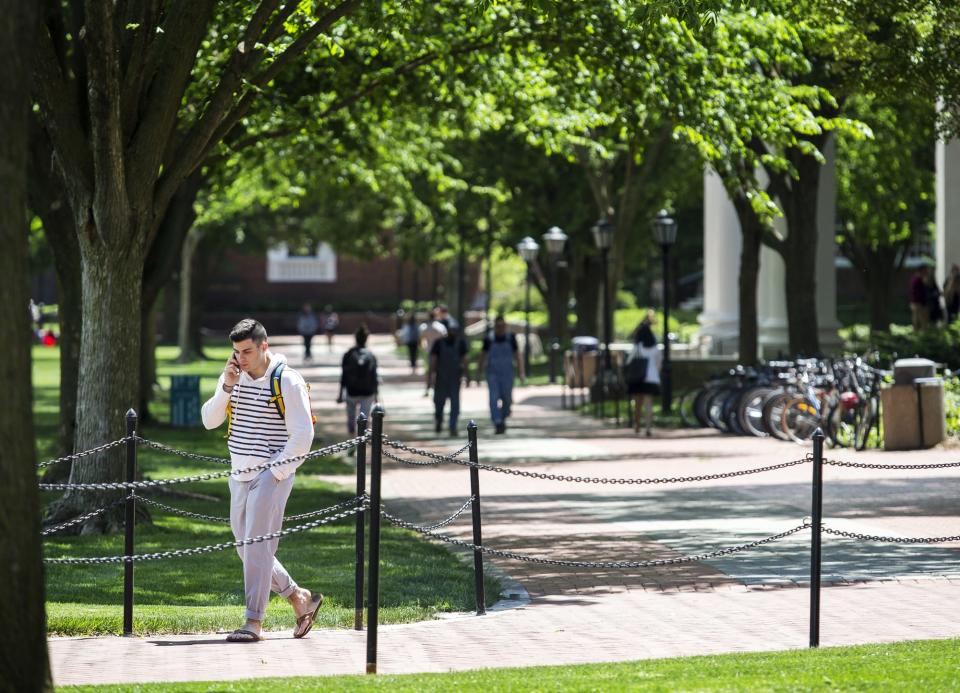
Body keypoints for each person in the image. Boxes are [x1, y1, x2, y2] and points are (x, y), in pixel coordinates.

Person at [200, 318, 323, 643]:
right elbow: (210, 421)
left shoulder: (287, 381)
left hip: (272, 475)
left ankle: (253, 622)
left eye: (248, 351)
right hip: (239, 473)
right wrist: (226, 385)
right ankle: (299, 598)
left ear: (264, 346)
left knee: (256, 547)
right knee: (246, 549)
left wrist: (275, 473)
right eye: (236, 352)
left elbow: (303, 434)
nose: (241, 358)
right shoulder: (233, 376)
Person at [478, 315, 523, 434]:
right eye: (498, 326)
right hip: (493, 373)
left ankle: (503, 417)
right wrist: (479, 371)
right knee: (493, 398)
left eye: (502, 325)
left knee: (507, 399)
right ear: (495, 326)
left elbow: (517, 355)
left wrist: (521, 372)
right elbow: (483, 355)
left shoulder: (511, 338)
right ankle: (497, 421)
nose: (500, 328)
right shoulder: (489, 339)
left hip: (508, 373)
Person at [626, 311, 663, 437]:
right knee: (649, 404)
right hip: (651, 378)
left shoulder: (638, 347)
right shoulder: (655, 349)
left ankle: (636, 425)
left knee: (637, 403)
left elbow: (629, 361)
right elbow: (659, 363)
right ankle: (648, 427)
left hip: (638, 377)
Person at [429, 319, 468, 436]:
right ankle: (439, 420)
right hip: (441, 377)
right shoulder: (438, 343)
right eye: (451, 330)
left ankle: (452, 425)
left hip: (455, 378)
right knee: (439, 403)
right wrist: (431, 375)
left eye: (455, 330)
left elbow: (464, 360)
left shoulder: (461, 343)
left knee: (455, 403)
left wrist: (467, 375)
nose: (453, 332)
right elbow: (434, 361)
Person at [338, 325, 379, 434]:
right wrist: (376, 396)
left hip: (351, 391)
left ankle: (352, 440)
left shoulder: (348, 354)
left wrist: (340, 394)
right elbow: (375, 377)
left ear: (355, 338)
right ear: (366, 339)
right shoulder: (371, 355)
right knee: (365, 417)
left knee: (351, 418)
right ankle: (363, 441)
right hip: (368, 392)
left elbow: (343, 376)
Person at [419, 306, 448, 395]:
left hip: (430, 352)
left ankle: (429, 388)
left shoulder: (424, 327)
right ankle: (437, 388)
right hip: (440, 352)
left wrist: (425, 348)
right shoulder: (440, 327)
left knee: (430, 371)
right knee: (438, 371)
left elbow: (421, 340)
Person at [908, 265, 930, 331]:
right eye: (925, 271)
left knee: (917, 321)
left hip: (916, 303)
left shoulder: (916, 279)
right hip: (918, 304)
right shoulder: (917, 280)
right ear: (922, 271)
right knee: (921, 323)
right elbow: (917, 293)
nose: (927, 272)